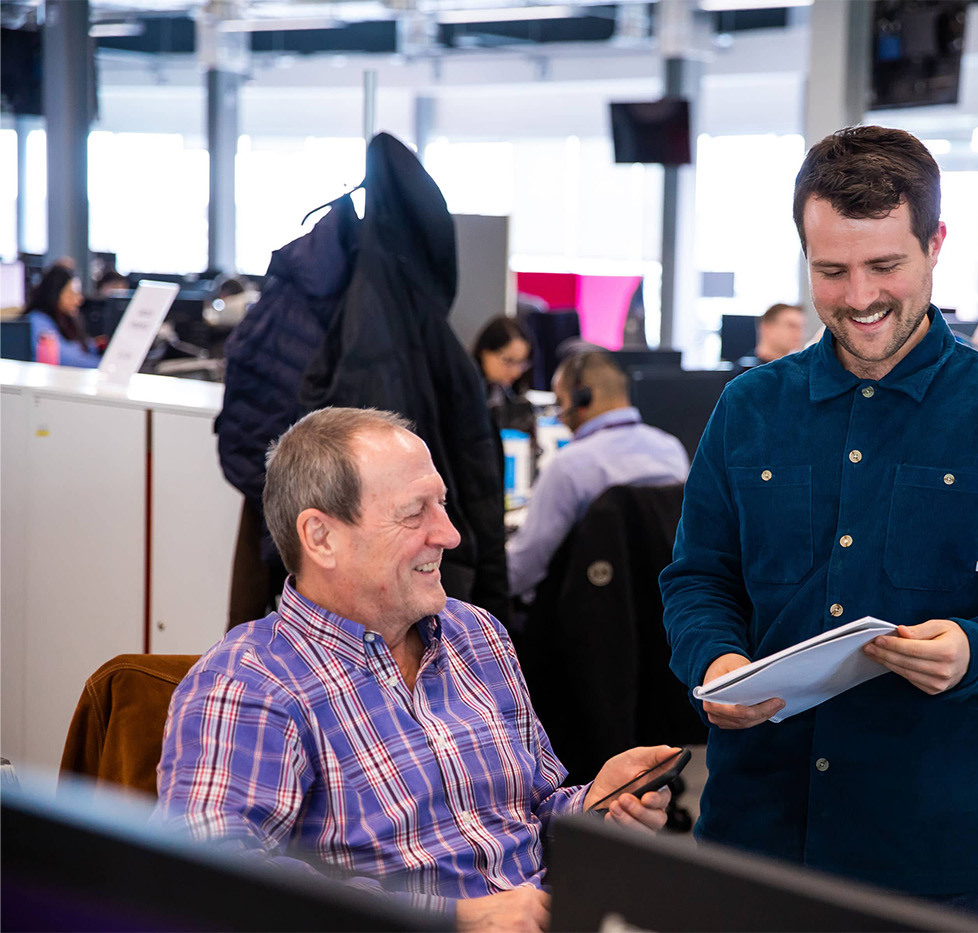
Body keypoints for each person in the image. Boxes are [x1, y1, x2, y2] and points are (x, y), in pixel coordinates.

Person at [658, 125, 978, 924]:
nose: (859, 297)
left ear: (935, 244)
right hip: (752, 842)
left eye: (885, 266)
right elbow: (699, 578)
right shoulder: (748, 409)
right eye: (831, 271)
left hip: (927, 858)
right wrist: (717, 659)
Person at [155, 407, 675, 932]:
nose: (449, 535)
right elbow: (210, 880)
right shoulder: (252, 682)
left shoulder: (475, 634)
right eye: (414, 513)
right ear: (320, 537)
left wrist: (596, 808)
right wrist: (454, 919)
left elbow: (532, 811)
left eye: (442, 506)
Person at [507, 351, 689, 599]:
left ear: (581, 397)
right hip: (662, 614)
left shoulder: (568, 467)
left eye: (561, 403)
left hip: (585, 619)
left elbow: (523, 570)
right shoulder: (672, 450)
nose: (560, 416)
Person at [23, 263, 101, 368]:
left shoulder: (67, 319)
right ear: (55, 294)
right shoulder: (38, 320)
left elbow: (84, 348)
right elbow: (63, 358)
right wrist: (105, 366)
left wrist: (96, 345)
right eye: (72, 294)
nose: (79, 299)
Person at [473, 315, 535, 435]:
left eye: (522, 363)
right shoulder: (467, 392)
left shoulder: (511, 393)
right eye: (509, 361)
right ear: (484, 352)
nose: (517, 372)